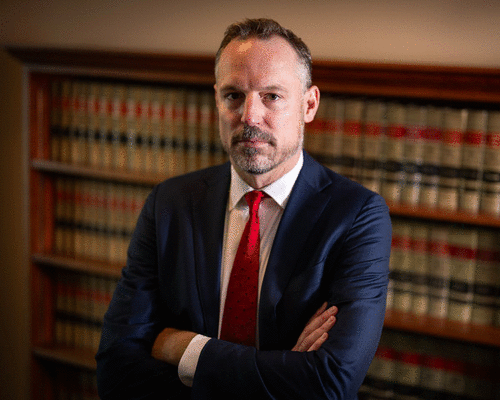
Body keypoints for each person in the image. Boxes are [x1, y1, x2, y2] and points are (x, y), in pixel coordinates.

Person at [96, 18, 392, 400]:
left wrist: (183, 348)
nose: (250, 116)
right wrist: (285, 370)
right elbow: (116, 372)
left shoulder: (358, 216)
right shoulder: (168, 204)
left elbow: (329, 383)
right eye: (234, 95)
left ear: (309, 104)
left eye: (272, 96)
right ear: (217, 100)